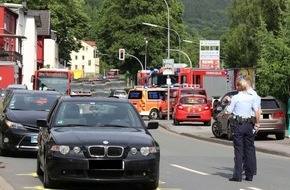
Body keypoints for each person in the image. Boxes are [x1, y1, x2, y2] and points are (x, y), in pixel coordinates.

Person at [226, 78, 260, 182]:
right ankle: (249, 175)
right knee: (249, 150)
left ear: (238, 87)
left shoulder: (235, 98)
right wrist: (257, 124)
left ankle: (237, 176)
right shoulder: (251, 98)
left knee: (239, 150)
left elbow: (228, 111)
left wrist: (228, 103)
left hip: (239, 125)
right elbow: (257, 111)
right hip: (249, 124)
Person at [245, 77, 261, 175]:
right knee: (249, 147)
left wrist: (257, 124)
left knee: (248, 147)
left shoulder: (252, 95)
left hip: (250, 121)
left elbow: (257, 111)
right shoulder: (253, 95)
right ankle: (251, 168)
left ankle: (249, 168)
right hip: (251, 121)